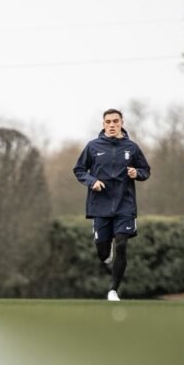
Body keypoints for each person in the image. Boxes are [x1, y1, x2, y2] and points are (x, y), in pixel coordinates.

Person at [73, 108, 151, 301]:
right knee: (102, 252)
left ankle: (113, 290)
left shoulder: (131, 148)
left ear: (122, 123)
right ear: (103, 124)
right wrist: (93, 182)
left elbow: (146, 170)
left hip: (125, 205)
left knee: (122, 244)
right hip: (100, 205)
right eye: (108, 122)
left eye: (116, 121)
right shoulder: (93, 146)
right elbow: (79, 170)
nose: (112, 125)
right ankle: (106, 252)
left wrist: (137, 173)